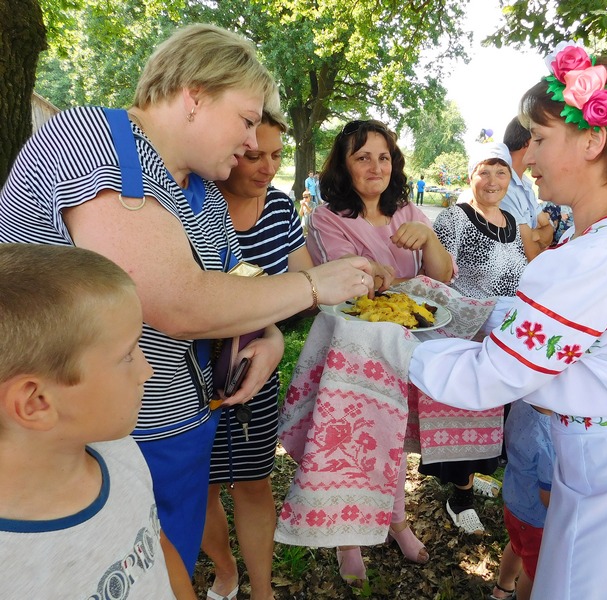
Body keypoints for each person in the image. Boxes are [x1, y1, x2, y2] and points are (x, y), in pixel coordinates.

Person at [0, 23, 372, 575]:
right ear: (194, 96)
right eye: (246, 120)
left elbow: (231, 282)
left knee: (163, 559)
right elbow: (175, 302)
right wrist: (316, 285)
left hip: (181, 419)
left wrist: (265, 333)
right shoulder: (96, 142)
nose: (252, 143)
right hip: (102, 435)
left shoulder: (197, 184)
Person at [408, 44, 607, 599]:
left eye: (538, 139)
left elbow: (491, 377)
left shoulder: (591, 258)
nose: (526, 157)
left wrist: (393, 344)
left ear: (592, 140)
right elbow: (566, 332)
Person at [0, 243, 194, 599]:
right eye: (128, 355)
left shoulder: (119, 451)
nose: (146, 370)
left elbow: (156, 543)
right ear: (37, 402)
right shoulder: (12, 570)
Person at [306, 119, 453, 586]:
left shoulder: (408, 211)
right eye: (362, 157)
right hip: (353, 351)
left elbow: (442, 276)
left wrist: (428, 238)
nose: (375, 166)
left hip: (405, 345)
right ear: (343, 166)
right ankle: (347, 540)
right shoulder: (328, 218)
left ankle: (396, 522)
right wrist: (374, 270)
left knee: (394, 436)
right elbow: (346, 284)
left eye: (384, 156)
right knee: (354, 438)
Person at [202, 109, 312, 600]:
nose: (267, 167)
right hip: (189, 377)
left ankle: (263, 590)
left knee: (252, 482)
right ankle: (225, 571)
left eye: (276, 156)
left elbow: (305, 284)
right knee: (200, 489)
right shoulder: (194, 203)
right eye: (253, 155)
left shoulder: (282, 210)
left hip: (258, 373)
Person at [427, 143, 529, 534]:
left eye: (501, 172)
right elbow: (440, 278)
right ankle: (460, 497)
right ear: (471, 175)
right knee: (468, 414)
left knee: (496, 413)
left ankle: (476, 475)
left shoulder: (510, 220)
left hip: (505, 333)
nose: (492, 181)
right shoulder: (454, 219)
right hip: (467, 330)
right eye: (484, 171)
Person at [489, 402, 554, 600]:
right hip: (537, 519)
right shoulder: (550, 438)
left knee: (516, 547)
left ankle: (502, 588)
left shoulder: (521, 404)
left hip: (514, 502)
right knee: (534, 573)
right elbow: (548, 498)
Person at [500, 117, 554, 258]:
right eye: (539, 140)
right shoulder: (502, 188)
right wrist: (537, 235)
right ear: (528, 143)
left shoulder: (525, 184)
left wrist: (533, 234)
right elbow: (530, 254)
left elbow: (548, 231)